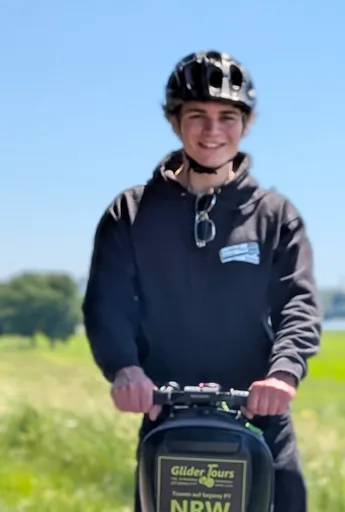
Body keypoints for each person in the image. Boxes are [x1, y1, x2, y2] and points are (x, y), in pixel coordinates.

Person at [81, 50, 322, 512]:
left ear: (245, 124)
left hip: (258, 411)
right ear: (175, 122)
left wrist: (283, 372)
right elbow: (106, 304)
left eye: (226, 116)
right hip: (167, 411)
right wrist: (124, 368)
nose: (213, 130)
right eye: (197, 116)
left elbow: (298, 302)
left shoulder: (274, 216)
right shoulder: (130, 213)